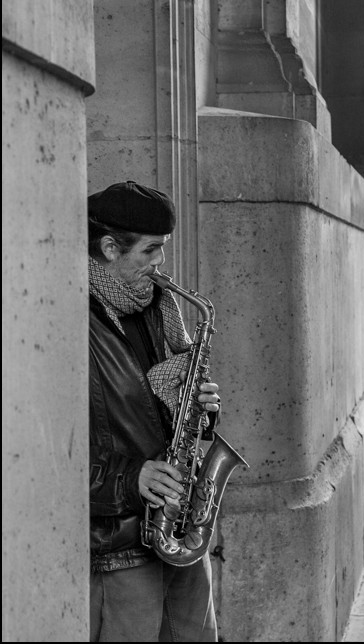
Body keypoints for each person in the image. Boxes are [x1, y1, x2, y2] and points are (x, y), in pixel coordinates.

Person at [88, 181, 221, 642]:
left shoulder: (162, 307)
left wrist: (201, 407)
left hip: (180, 528)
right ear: (109, 248)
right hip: (120, 545)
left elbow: (173, 410)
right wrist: (131, 479)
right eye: (150, 250)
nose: (160, 262)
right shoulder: (68, 317)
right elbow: (40, 451)